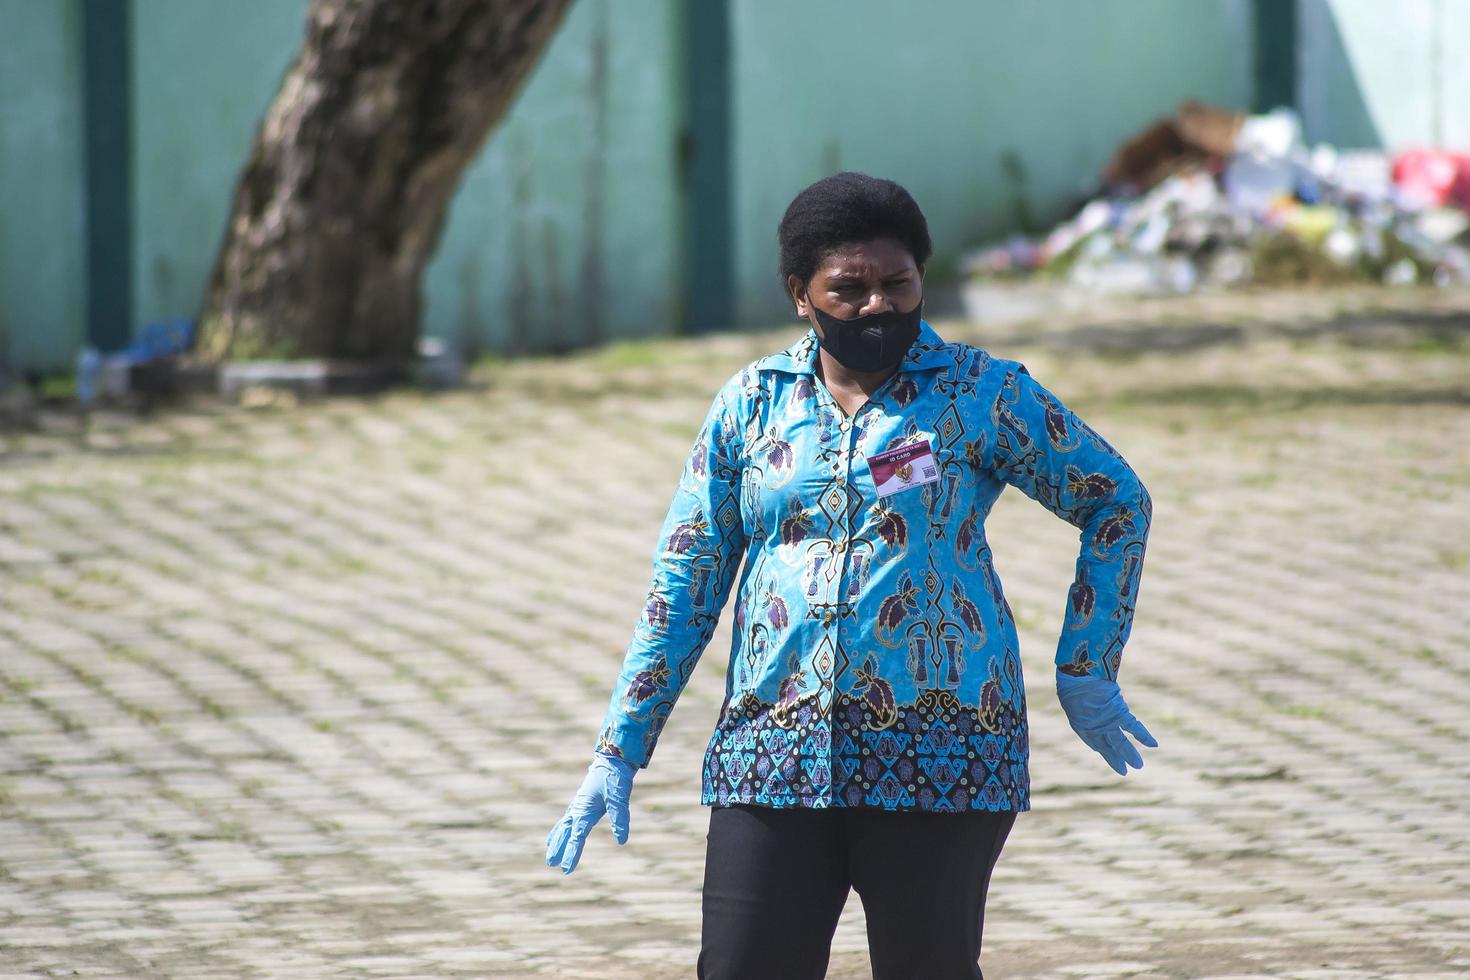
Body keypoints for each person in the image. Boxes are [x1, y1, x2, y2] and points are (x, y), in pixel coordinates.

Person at [546, 172, 1156, 979]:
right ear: (801, 294)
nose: (878, 306)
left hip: (946, 757)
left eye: (898, 284)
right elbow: (687, 577)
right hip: (770, 755)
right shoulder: (750, 405)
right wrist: (620, 748)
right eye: (850, 288)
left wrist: (1087, 665)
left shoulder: (984, 394)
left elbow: (1114, 499)